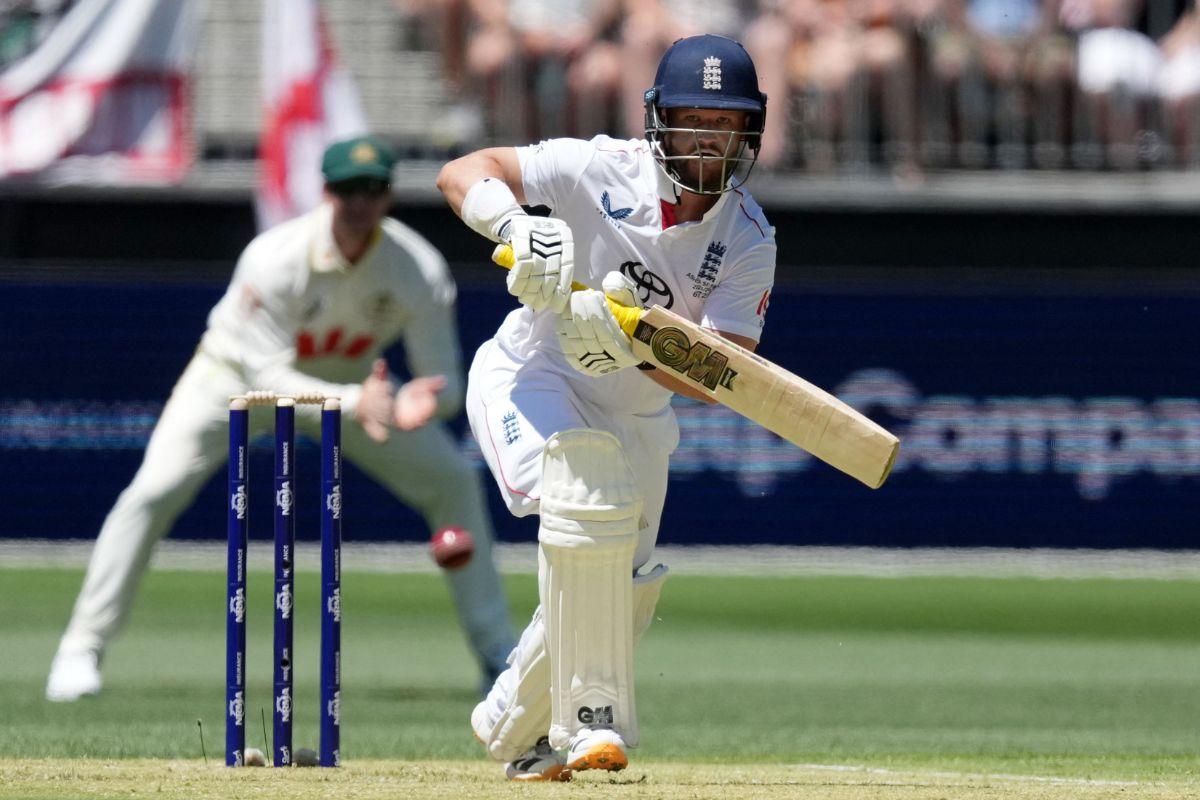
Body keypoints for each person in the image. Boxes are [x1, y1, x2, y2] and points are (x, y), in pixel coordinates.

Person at [46, 135, 516, 702]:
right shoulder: (276, 257)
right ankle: (81, 648)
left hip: (351, 389)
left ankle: (497, 657)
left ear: (389, 196)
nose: (360, 203)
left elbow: (444, 380)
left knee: (452, 478)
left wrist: (421, 402)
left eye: (372, 190)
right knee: (154, 491)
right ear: (325, 193)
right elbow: (267, 379)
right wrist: (353, 401)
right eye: (347, 190)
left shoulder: (416, 267)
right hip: (234, 381)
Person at [437, 34, 776, 781]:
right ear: (658, 119)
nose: (706, 139)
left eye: (724, 124)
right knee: (582, 503)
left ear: (747, 133)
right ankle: (594, 724)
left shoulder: (749, 236)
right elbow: (464, 170)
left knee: (625, 590)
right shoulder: (596, 167)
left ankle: (507, 724)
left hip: (639, 410)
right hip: (534, 374)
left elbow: (725, 372)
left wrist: (635, 347)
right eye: (692, 119)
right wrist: (513, 225)